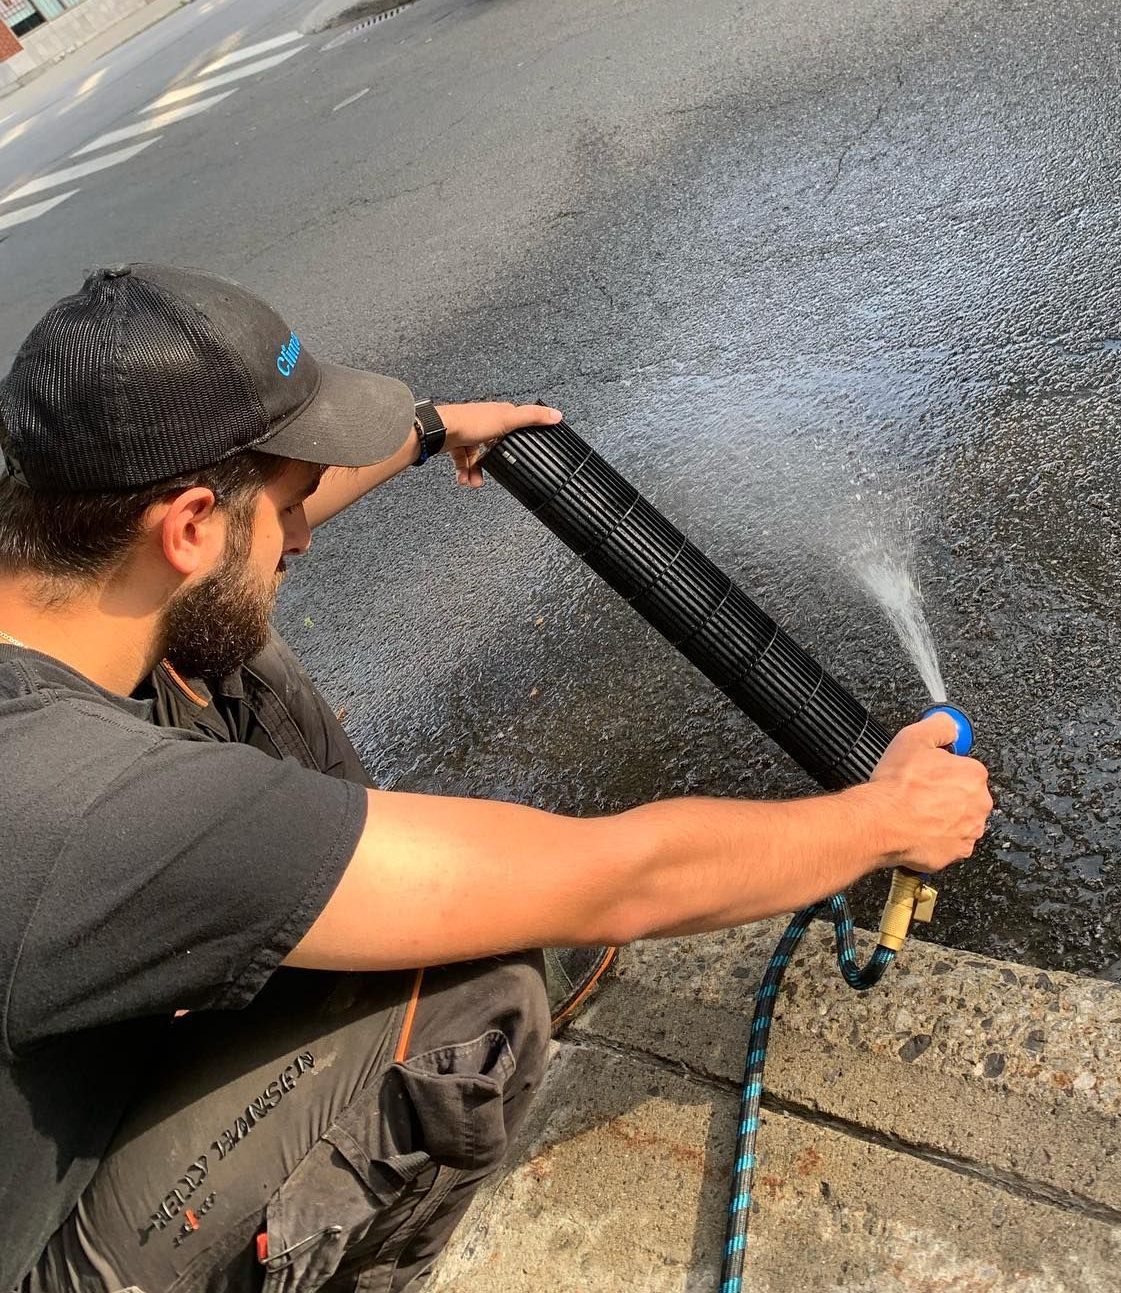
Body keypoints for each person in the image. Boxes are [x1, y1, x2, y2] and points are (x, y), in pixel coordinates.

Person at [0, 263, 993, 1293]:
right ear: (190, 525)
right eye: (290, 506)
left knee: (227, 639)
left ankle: (327, 938)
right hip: (43, 1254)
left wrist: (434, 430)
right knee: (481, 987)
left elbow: (217, 547)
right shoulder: (86, 807)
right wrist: (885, 818)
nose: (302, 534)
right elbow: (614, 880)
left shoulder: (47, 572)